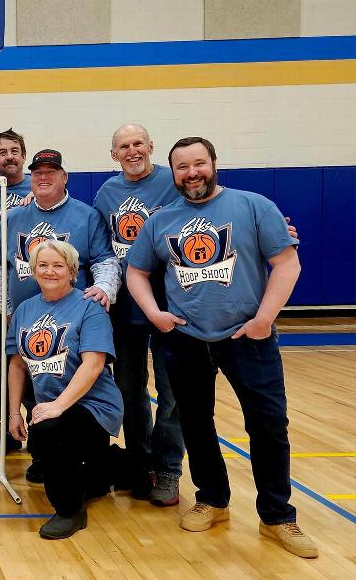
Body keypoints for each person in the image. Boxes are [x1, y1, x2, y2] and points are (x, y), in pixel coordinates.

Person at [127, 136, 317, 558]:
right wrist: (156, 314)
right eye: (182, 167)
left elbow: (287, 263)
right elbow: (136, 272)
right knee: (195, 422)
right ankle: (212, 498)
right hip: (186, 338)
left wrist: (264, 319)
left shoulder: (253, 206)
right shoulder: (160, 221)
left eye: (198, 164)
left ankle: (278, 516)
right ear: (172, 172)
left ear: (213, 164)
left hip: (248, 338)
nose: (191, 173)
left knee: (268, 424)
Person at [0, 148, 120, 482]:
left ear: (64, 178)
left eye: (51, 172)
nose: (43, 178)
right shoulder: (13, 217)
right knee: (32, 380)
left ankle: (94, 459)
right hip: (25, 318)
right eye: (38, 173)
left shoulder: (86, 216)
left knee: (72, 379)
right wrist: (6, 305)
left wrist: (104, 288)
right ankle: (42, 454)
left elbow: (105, 259)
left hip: (71, 319)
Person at [5, 241, 123, 539]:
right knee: (47, 448)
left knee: (47, 432)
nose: (50, 271)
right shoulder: (24, 310)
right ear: (33, 271)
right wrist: (13, 413)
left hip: (93, 407)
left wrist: (58, 406)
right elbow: (17, 365)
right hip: (53, 407)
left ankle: (70, 511)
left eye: (58, 265)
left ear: (72, 271)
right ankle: (113, 467)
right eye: (43, 265)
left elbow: (93, 365)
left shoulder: (89, 308)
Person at [93, 125, 184, 504]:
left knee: (171, 391)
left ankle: (168, 470)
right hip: (125, 308)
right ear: (113, 154)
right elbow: (99, 248)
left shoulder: (174, 182)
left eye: (138, 144)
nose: (132, 151)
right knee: (130, 390)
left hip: (171, 304)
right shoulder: (107, 193)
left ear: (151, 147)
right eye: (123, 146)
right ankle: (139, 463)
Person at [0, 128, 32, 456]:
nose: (9, 157)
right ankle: (8, 430)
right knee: (5, 364)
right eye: (3, 152)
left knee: (45, 363)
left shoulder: (41, 188)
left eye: (14, 151)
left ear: (23, 155)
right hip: (4, 299)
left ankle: (41, 427)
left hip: (43, 298)